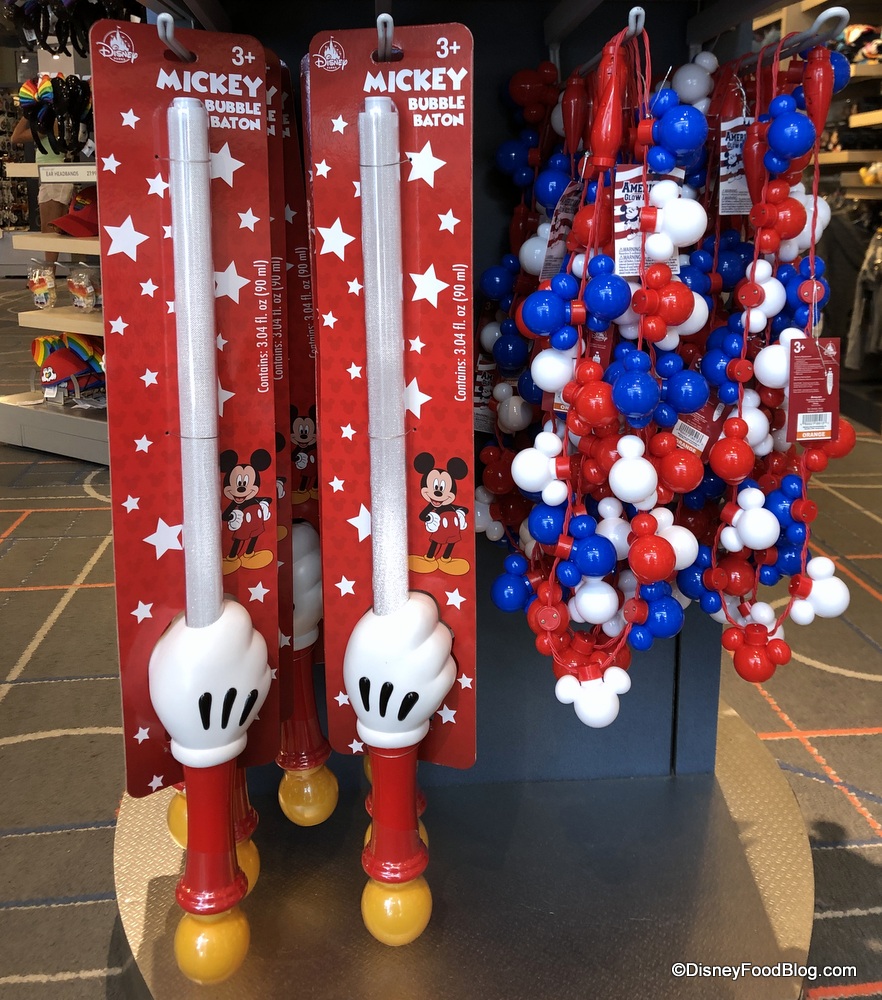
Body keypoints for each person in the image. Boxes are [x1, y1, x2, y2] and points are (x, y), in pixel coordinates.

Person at [11, 115, 73, 268]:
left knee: (49, 231)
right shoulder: (56, 120)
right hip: (54, 176)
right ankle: (49, 273)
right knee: (52, 230)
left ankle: (49, 274)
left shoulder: (49, 123)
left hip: (53, 177)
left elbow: (16, 137)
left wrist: (27, 115)